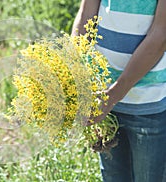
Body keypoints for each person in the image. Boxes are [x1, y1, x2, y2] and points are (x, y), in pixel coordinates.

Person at [71, 0, 166, 181]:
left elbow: (160, 37)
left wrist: (111, 96)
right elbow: (86, 16)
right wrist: (76, 75)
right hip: (103, 101)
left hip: (149, 104)